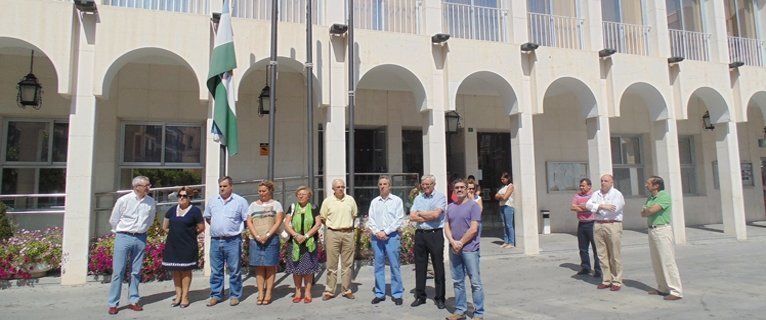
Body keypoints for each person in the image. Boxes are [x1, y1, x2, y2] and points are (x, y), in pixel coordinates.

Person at [107, 176, 157, 315]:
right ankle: (113, 303)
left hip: (140, 237)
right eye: (146, 185)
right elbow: (114, 219)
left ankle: (133, 300)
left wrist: (141, 230)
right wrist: (122, 231)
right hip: (123, 236)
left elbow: (150, 220)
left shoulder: (150, 202)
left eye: (149, 185)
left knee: (136, 271)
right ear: (136, 187)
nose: (148, 187)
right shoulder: (123, 200)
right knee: (118, 271)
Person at [204, 176, 249, 307]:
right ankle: (216, 295)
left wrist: (232, 230)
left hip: (233, 240)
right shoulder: (213, 201)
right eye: (220, 186)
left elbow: (246, 220)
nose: (222, 188)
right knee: (216, 270)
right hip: (216, 240)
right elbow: (208, 218)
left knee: (234, 270)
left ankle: (235, 295)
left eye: (225, 186)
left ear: (231, 187)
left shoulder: (240, 201)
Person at [444, 179, 484, 320]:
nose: (459, 189)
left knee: (475, 282)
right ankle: (460, 310)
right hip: (454, 249)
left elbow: (474, 229)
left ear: (467, 189)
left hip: (470, 249)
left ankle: (478, 313)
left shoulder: (474, 206)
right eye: (457, 188)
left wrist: (460, 242)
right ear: (453, 190)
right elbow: (446, 226)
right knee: (457, 281)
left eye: (462, 187)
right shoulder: (450, 207)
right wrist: (452, 242)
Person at [641, 176, 683, 301]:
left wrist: (648, 210)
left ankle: (676, 290)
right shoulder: (651, 198)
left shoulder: (664, 196)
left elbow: (651, 210)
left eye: (648, 183)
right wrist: (648, 210)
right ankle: (663, 288)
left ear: (656, 185)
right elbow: (643, 213)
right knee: (657, 261)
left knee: (667, 261)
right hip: (652, 229)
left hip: (662, 230)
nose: (646, 185)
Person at [162, 186, 204, 308]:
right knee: (176, 270)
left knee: (186, 270)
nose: (181, 198)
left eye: (184, 196)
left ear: (190, 198)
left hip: (188, 245)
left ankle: (185, 296)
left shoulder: (195, 211)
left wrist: (189, 234)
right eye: (179, 195)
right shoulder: (172, 210)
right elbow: (165, 226)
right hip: (173, 245)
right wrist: (175, 233)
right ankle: (178, 295)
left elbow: (201, 227)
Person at [409, 174, 447, 309]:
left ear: (433, 185)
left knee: (438, 266)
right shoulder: (418, 198)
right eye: (423, 184)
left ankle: (440, 298)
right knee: (420, 267)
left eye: (428, 184)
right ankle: (420, 296)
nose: (425, 187)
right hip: (420, 234)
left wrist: (421, 213)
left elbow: (436, 215)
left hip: (434, 234)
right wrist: (428, 215)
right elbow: (412, 216)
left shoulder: (440, 197)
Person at [367, 176, 405, 306]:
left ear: (390, 186)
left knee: (394, 265)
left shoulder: (397, 201)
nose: (382, 186)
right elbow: (370, 219)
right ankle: (380, 293)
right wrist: (377, 232)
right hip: (377, 238)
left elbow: (399, 219)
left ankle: (397, 294)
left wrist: (386, 232)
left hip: (392, 237)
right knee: (378, 266)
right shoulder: (374, 202)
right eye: (380, 184)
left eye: (385, 184)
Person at [245, 180, 284, 305]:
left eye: (264, 191)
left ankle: (268, 293)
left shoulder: (276, 204)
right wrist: (256, 235)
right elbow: (249, 221)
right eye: (259, 191)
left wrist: (267, 235)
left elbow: (278, 221)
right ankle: (261, 293)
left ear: (270, 191)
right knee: (259, 267)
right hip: (255, 240)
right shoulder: (252, 205)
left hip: (271, 239)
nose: (261, 193)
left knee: (270, 266)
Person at [320, 179, 359, 300]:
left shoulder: (350, 200)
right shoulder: (327, 201)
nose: (341, 189)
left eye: (343, 186)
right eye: (338, 187)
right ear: (333, 189)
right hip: (333, 233)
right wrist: (334, 226)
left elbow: (354, 214)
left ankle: (346, 290)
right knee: (332, 264)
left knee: (348, 264)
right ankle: (330, 291)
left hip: (348, 233)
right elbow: (323, 218)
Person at [586, 174, 625, 291]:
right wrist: (602, 206)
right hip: (598, 224)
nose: (603, 183)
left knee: (614, 254)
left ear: (611, 182)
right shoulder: (596, 194)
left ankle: (617, 281)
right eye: (602, 181)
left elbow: (614, 209)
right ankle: (606, 279)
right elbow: (588, 205)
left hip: (612, 224)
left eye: (606, 181)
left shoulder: (617, 194)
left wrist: (597, 208)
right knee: (602, 254)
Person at [284, 186, 322, 304]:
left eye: (303, 194)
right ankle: (298, 292)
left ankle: (307, 292)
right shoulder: (292, 207)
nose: (300, 196)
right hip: (294, 243)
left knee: (308, 269)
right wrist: (295, 235)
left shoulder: (314, 207)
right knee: (296, 269)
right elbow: (286, 224)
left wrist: (305, 236)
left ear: (309, 196)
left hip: (309, 242)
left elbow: (318, 224)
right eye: (298, 194)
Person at [570, 178, 601, 277]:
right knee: (583, 248)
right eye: (580, 185)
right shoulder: (577, 196)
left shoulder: (594, 196)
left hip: (592, 223)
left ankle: (598, 270)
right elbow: (572, 207)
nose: (581, 187)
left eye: (583, 185)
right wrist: (585, 207)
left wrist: (582, 207)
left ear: (589, 186)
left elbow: (594, 207)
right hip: (582, 224)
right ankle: (585, 267)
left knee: (596, 248)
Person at [495, 172, 515, 248]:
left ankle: (511, 242)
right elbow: (495, 196)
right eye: (501, 179)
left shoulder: (510, 186)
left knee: (509, 225)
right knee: (504, 225)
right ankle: (506, 241)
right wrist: (500, 196)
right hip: (502, 205)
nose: (502, 180)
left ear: (507, 178)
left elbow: (505, 197)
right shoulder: (503, 187)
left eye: (503, 179)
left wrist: (500, 196)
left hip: (508, 206)